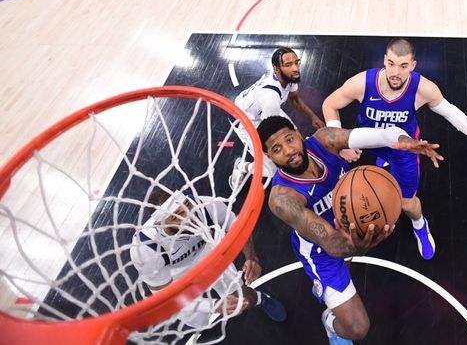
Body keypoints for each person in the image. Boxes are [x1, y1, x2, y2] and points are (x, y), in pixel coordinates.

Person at [321, 38, 467, 261]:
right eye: (391, 64)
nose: (396, 72)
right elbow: (330, 104)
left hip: (405, 147)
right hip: (370, 139)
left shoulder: (423, 89)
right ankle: (350, 235)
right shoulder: (363, 83)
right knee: (344, 191)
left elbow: (450, 112)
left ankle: (420, 225)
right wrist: (339, 144)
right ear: (384, 60)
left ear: (413, 66)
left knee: (406, 202)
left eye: (403, 66)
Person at [263, 115, 443, 344]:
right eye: (277, 149)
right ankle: (330, 321)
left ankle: (328, 290)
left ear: (298, 133)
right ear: (269, 157)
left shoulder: (324, 140)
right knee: (357, 328)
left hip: (349, 228)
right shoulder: (282, 198)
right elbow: (331, 244)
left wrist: (401, 139)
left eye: (289, 140)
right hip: (321, 253)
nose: (288, 151)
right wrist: (356, 247)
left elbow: (380, 135)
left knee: (349, 261)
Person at [129, 187, 287, 331]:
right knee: (200, 320)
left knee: (241, 296)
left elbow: (239, 227)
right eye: (178, 216)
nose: (189, 217)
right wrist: (214, 306)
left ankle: (261, 299)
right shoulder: (145, 249)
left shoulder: (207, 206)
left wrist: (251, 257)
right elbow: (167, 298)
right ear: (160, 223)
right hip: (178, 279)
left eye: (187, 206)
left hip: (210, 257)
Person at [229, 46, 325, 189]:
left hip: (262, 110)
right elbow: (269, 134)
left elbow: (294, 99)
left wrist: (313, 116)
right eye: (288, 64)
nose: (295, 68)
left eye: (296, 62)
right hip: (244, 120)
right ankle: (241, 166)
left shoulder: (289, 76)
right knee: (272, 169)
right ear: (276, 69)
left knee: (296, 137)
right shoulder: (271, 99)